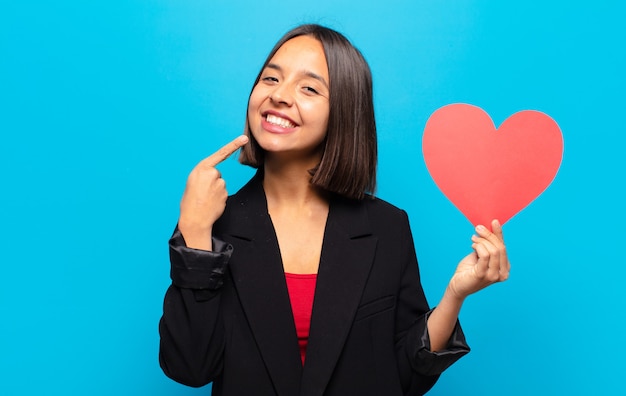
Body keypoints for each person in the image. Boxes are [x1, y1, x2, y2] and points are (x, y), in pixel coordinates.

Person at [159, 24, 510, 396]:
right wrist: (195, 237)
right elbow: (190, 368)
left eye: (308, 87)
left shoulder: (386, 227)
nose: (279, 95)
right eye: (270, 78)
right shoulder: (211, 223)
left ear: (343, 111)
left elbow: (404, 375)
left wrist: (455, 295)